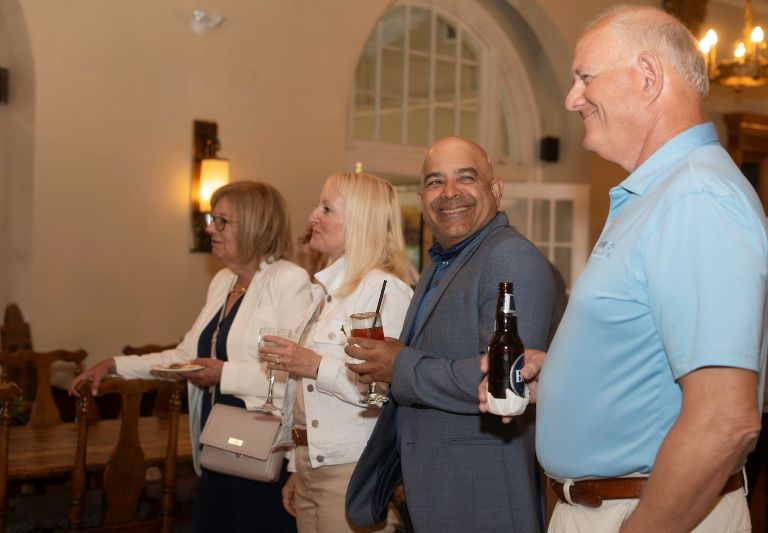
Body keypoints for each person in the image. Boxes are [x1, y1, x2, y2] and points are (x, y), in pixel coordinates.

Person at [483, 6, 768, 533]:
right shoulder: (659, 195)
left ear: (648, 76)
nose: (571, 99)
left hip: (649, 513)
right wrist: (567, 377)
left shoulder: (696, 197)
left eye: (584, 78)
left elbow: (725, 419)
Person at [346, 137, 563, 532]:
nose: (449, 192)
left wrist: (399, 365)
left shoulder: (508, 256)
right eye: (435, 181)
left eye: (466, 177)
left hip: (482, 492)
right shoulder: (441, 263)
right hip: (435, 487)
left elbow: (506, 384)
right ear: (421, 198)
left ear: (495, 190)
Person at [71, 181, 312, 532]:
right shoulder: (223, 281)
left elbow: (294, 374)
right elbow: (185, 355)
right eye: (212, 219)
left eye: (222, 221)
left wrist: (223, 374)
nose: (210, 229)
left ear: (255, 225)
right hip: (217, 442)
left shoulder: (288, 280)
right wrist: (114, 365)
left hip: (262, 448)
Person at [257, 172, 415, 533]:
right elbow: (307, 399)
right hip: (312, 463)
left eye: (327, 208)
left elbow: (381, 392)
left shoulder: (384, 291)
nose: (312, 216)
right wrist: (296, 467)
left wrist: (313, 365)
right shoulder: (326, 292)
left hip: (350, 468)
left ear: (359, 221)